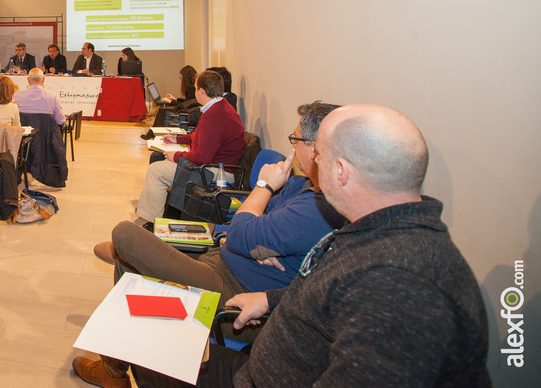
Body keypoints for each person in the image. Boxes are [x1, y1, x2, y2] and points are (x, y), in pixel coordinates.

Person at [128, 105, 491, 387]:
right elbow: (332, 290)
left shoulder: (399, 285)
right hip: (262, 360)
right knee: (140, 334)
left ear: (341, 171)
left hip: (256, 378)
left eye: (319, 156)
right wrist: (270, 300)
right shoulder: (383, 232)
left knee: (140, 345)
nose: (309, 163)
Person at [86, 103, 344, 334]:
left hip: (232, 288)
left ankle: (124, 257)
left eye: (295, 138)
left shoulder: (318, 209)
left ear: (315, 150)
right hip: (225, 259)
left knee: (125, 233)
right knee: (128, 264)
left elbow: (242, 231)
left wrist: (263, 187)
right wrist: (257, 242)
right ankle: (115, 365)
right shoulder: (299, 185)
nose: (292, 146)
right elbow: (251, 225)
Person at [136, 70, 245, 223]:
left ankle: (152, 221)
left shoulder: (214, 115)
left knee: (156, 171)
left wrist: (176, 155)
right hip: (216, 166)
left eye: (195, 88)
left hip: (213, 173)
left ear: (201, 91)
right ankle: (161, 212)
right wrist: (177, 139)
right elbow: (198, 136)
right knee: (162, 163)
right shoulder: (221, 107)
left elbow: (202, 157)